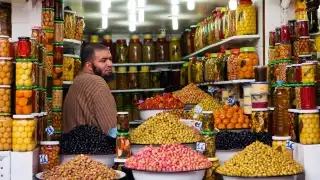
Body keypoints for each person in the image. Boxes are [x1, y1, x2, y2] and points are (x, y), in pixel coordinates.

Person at [62, 43, 117, 133]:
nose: (110, 64)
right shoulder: (97, 82)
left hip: (74, 145)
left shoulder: (77, 80)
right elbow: (112, 130)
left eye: (110, 59)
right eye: (103, 61)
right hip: (93, 146)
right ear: (89, 66)